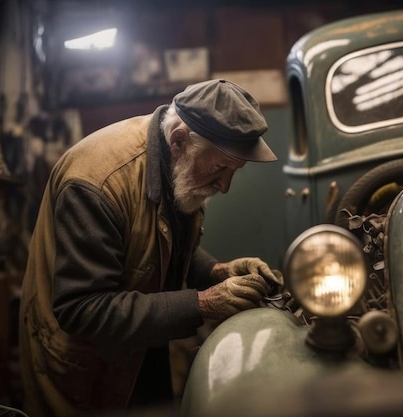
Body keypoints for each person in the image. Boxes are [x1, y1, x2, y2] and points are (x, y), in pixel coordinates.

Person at [18, 79, 282, 417]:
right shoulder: (96, 183)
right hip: (85, 367)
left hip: (140, 346)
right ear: (179, 141)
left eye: (234, 171)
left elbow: (156, 243)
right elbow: (81, 308)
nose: (225, 186)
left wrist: (216, 272)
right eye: (219, 168)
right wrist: (204, 303)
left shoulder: (180, 162)